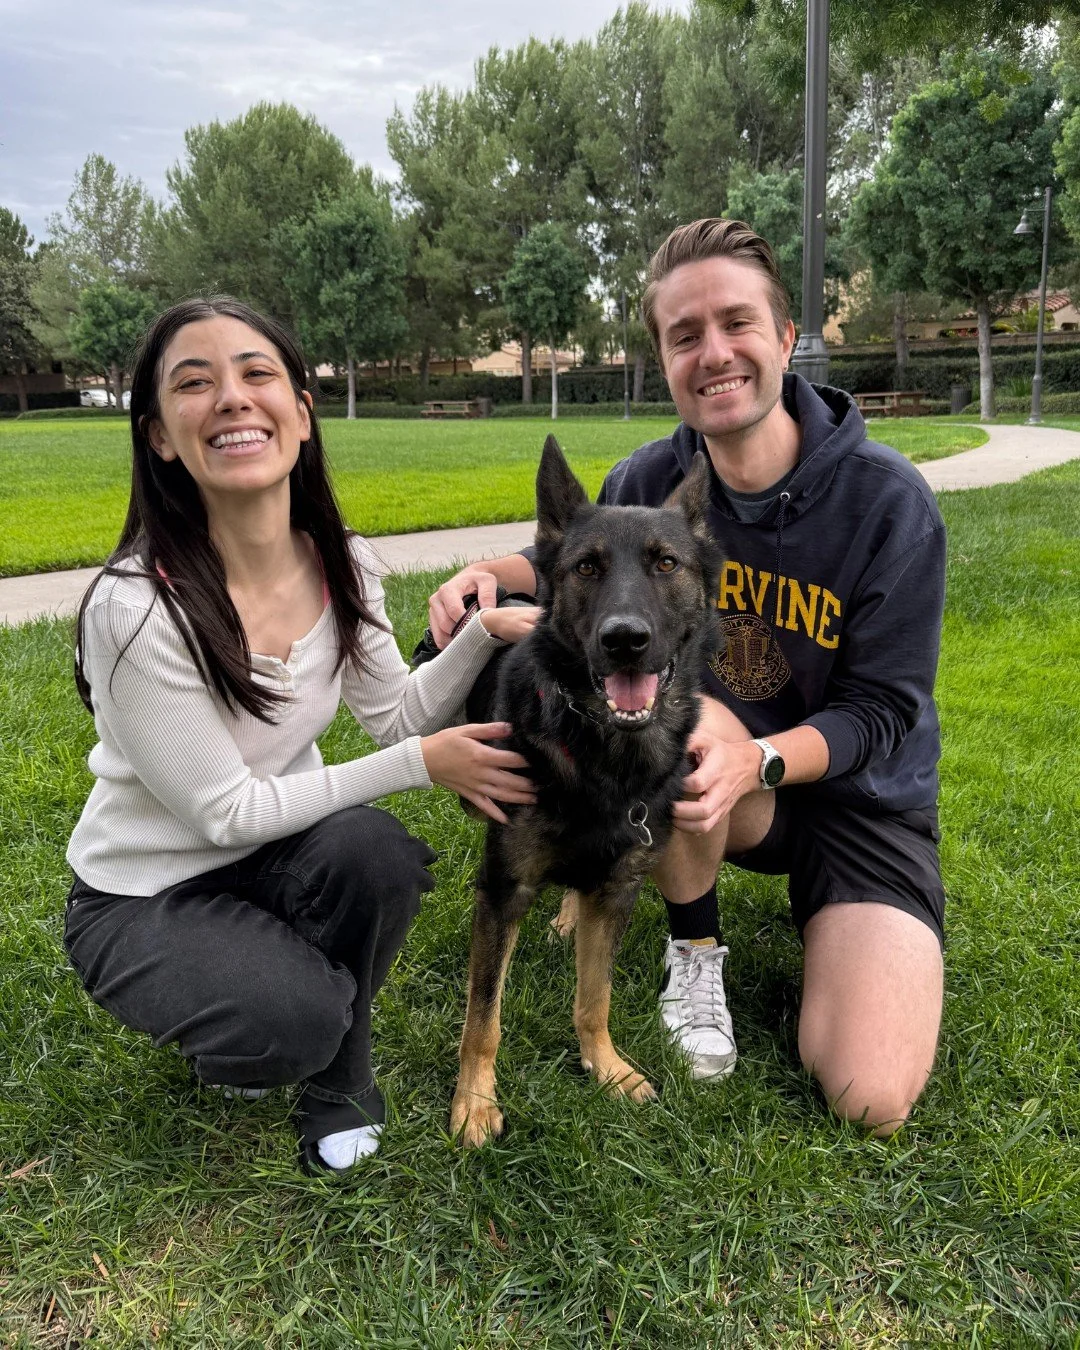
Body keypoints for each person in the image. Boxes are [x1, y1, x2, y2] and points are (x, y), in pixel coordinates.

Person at [428, 219, 947, 1136]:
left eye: (736, 323)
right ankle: (694, 947)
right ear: (664, 360)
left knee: (872, 1097)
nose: (714, 354)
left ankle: (840, 920)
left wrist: (766, 758)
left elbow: (885, 711)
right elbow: (578, 550)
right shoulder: (653, 474)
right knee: (685, 731)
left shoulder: (888, 502)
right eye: (683, 336)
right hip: (714, 784)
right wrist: (489, 575)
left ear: (787, 338)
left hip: (860, 800)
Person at [64, 297, 540, 1175]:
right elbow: (223, 813)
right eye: (194, 384)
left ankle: (340, 1079)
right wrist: (422, 766)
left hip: (275, 850)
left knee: (378, 856)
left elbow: (396, 712)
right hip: (141, 894)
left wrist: (478, 635)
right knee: (295, 1017)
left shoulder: (342, 561)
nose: (234, 399)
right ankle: (269, 1032)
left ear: (302, 412)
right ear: (161, 434)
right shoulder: (136, 609)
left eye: (257, 375)